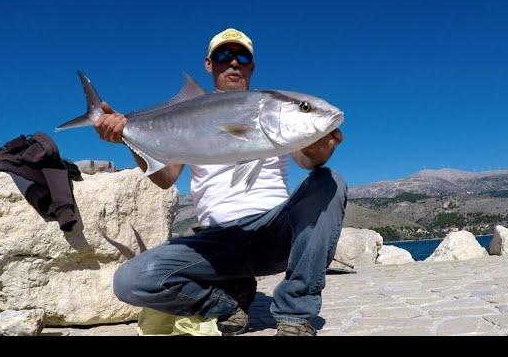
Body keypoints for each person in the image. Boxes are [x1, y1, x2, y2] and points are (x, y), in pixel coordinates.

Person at [94, 27, 347, 336]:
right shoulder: (184, 115)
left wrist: (319, 141)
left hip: (274, 233)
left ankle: (295, 316)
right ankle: (226, 305)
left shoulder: (269, 109)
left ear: (252, 66)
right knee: (130, 280)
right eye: (224, 56)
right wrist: (126, 138)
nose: (233, 63)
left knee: (328, 180)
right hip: (216, 244)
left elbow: (311, 161)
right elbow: (164, 178)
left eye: (242, 57)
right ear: (208, 64)